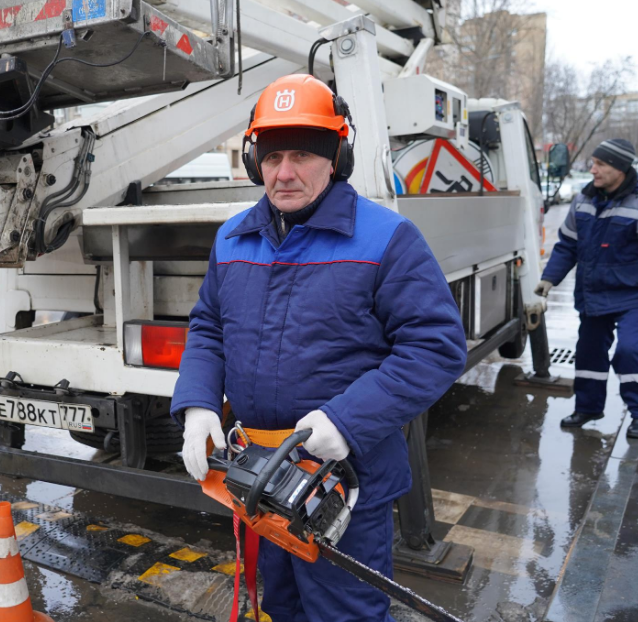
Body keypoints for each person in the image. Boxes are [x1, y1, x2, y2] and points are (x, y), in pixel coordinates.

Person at [170, 74, 467, 622]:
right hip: (259, 475)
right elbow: (209, 325)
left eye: (303, 155)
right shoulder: (233, 238)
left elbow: (436, 346)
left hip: (342, 486)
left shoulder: (386, 239)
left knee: (344, 612)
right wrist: (198, 404)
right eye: (272, 155)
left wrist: (346, 421)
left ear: (337, 157)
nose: (284, 173)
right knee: (282, 605)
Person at [535, 139, 638, 439]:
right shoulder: (583, 201)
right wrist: (549, 278)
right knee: (589, 353)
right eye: (593, 163)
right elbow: (567, 245)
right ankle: (589, 407)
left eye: (600, 164)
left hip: (632, 295)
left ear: (619, 168)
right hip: (593, 293)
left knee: (631, 352)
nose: (592, 169)